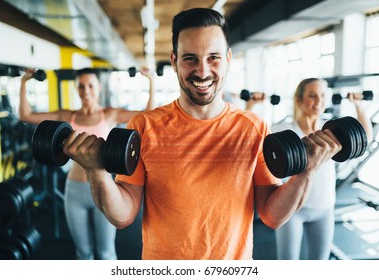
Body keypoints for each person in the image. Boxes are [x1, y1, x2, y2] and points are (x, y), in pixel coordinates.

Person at [61, 8, 342, 260]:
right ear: (174, 60)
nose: (202, 70)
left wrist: (306, 172)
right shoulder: (144, 126)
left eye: (214, 58)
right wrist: (96, 173)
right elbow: (123, 216)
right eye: (190, 59)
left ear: (228, 59)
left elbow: (272, 216)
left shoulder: (253, 127)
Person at [19, 66, 155, 260]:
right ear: (77, 89)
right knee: (83, 253)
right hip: (74, 190)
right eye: (81, 86)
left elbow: (148, 114)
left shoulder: (110, 114)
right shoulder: (69, 116)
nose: (86, 91)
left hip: (105, 188)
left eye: (90, 85)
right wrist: (24, 83)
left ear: (98, 87)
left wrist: (151, 81)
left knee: (106, 252)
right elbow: (26, 116)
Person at [270, 78, 373, 259]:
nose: (318, 101)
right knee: (287, 262)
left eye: (322, 95)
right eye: (312, 95)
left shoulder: (332, 132)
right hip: (292, 210)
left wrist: (358, 106)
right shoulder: (282, 130)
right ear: (299, 99)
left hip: (325, 208)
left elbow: (365, 139)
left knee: (320, 264)